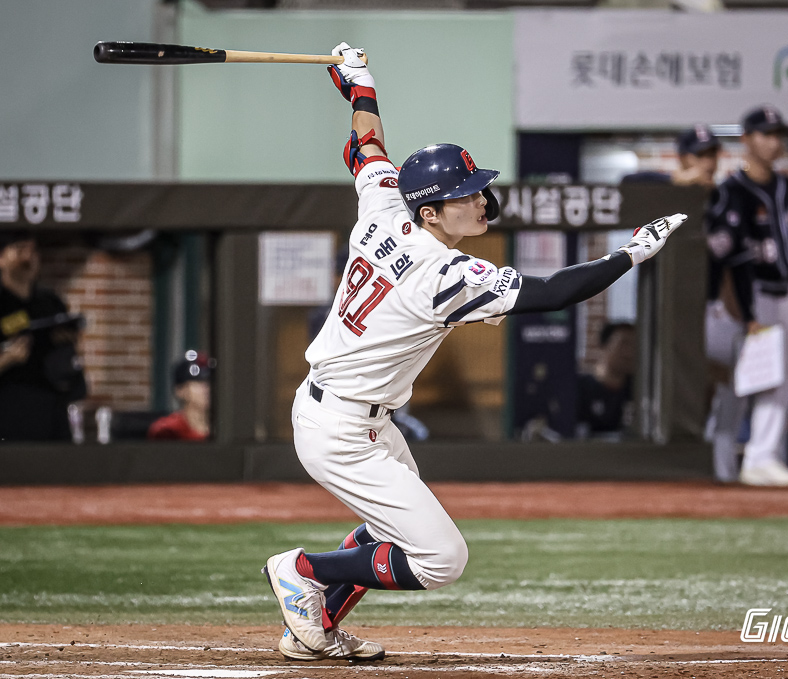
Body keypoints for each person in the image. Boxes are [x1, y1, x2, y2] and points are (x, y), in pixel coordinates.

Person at [260, 42, 687, 662]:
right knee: (440, 559)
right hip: (342, 426)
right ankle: (303, 569)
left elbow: (367, 148)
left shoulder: (385, 204)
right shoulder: (440, 273)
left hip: (354, 415)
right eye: (466, 194)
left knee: (392, 532)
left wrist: (360, 86)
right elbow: (553, 293)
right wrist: (630, 255)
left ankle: (315, 622)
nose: (481, 200)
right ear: (430, 211)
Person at [704, 106, 788, 487]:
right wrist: (743, 311)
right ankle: (743, 459)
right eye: (766, 134)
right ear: (747, 138)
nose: (774, 141)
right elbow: (725, 261)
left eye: (778, 134)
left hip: (785, 292)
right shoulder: (731, 192)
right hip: (747, 296)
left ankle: (762, 456)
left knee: (782, 378)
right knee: (750, 382)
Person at [0, 231, 85, 442]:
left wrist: (63, 339)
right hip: (9, 413)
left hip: (53, 408)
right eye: (20, 250)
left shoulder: (50, 303)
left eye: (33, 250)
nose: (28, 257)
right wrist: (5, 360)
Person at [576, 322, 636, 438]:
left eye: (635, 346)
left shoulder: (639, 391)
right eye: (624, 344)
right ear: (604, 346)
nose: (630, 353)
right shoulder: (581, 388)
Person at [620, 124, 720, 188]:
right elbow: (627, 180)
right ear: (683, 158)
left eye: (712, 155)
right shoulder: (668, 187)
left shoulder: (724, 193)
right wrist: (673, 180)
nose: (709, 162)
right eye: (700, 155)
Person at [147, 351, 212, 441]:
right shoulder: (168, 431)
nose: (207, 388)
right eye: (199, 382)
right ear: (181, 390)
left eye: (211, 381)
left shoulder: (226, 430)